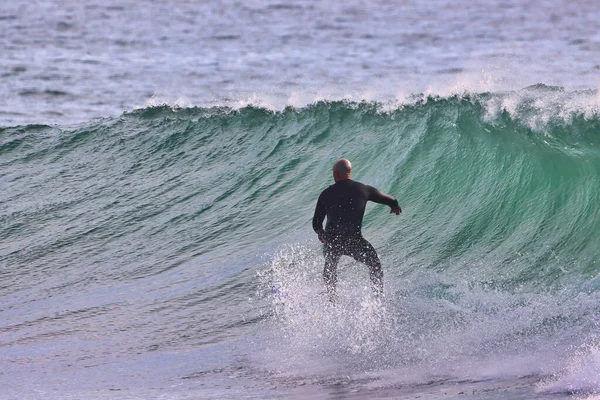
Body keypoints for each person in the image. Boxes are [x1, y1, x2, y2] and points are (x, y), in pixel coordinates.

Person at [312, 159, 401, 301]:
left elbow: (316, 222)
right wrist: (395, 206)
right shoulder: (363, 189)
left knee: (330, 266)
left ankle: (331, 299)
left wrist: (320, 233)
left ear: (336, 173)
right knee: (375, 264)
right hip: (353, 240)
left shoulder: (326, 194)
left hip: (332, 241)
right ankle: (378, 298)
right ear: (349, 173)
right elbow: (389, 199)